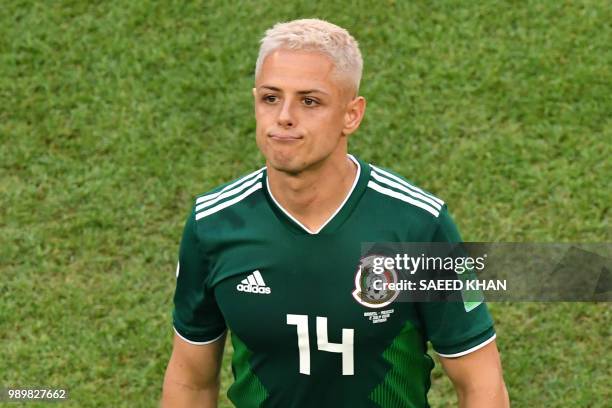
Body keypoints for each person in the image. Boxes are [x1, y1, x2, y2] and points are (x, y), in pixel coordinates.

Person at [161, 18, 509, 407]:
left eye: (310, 101)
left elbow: (481, 382)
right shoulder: (213, 225)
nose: (284, 117)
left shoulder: (419, 226)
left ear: (351, 115)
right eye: (270, 98)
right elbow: (191, 381)